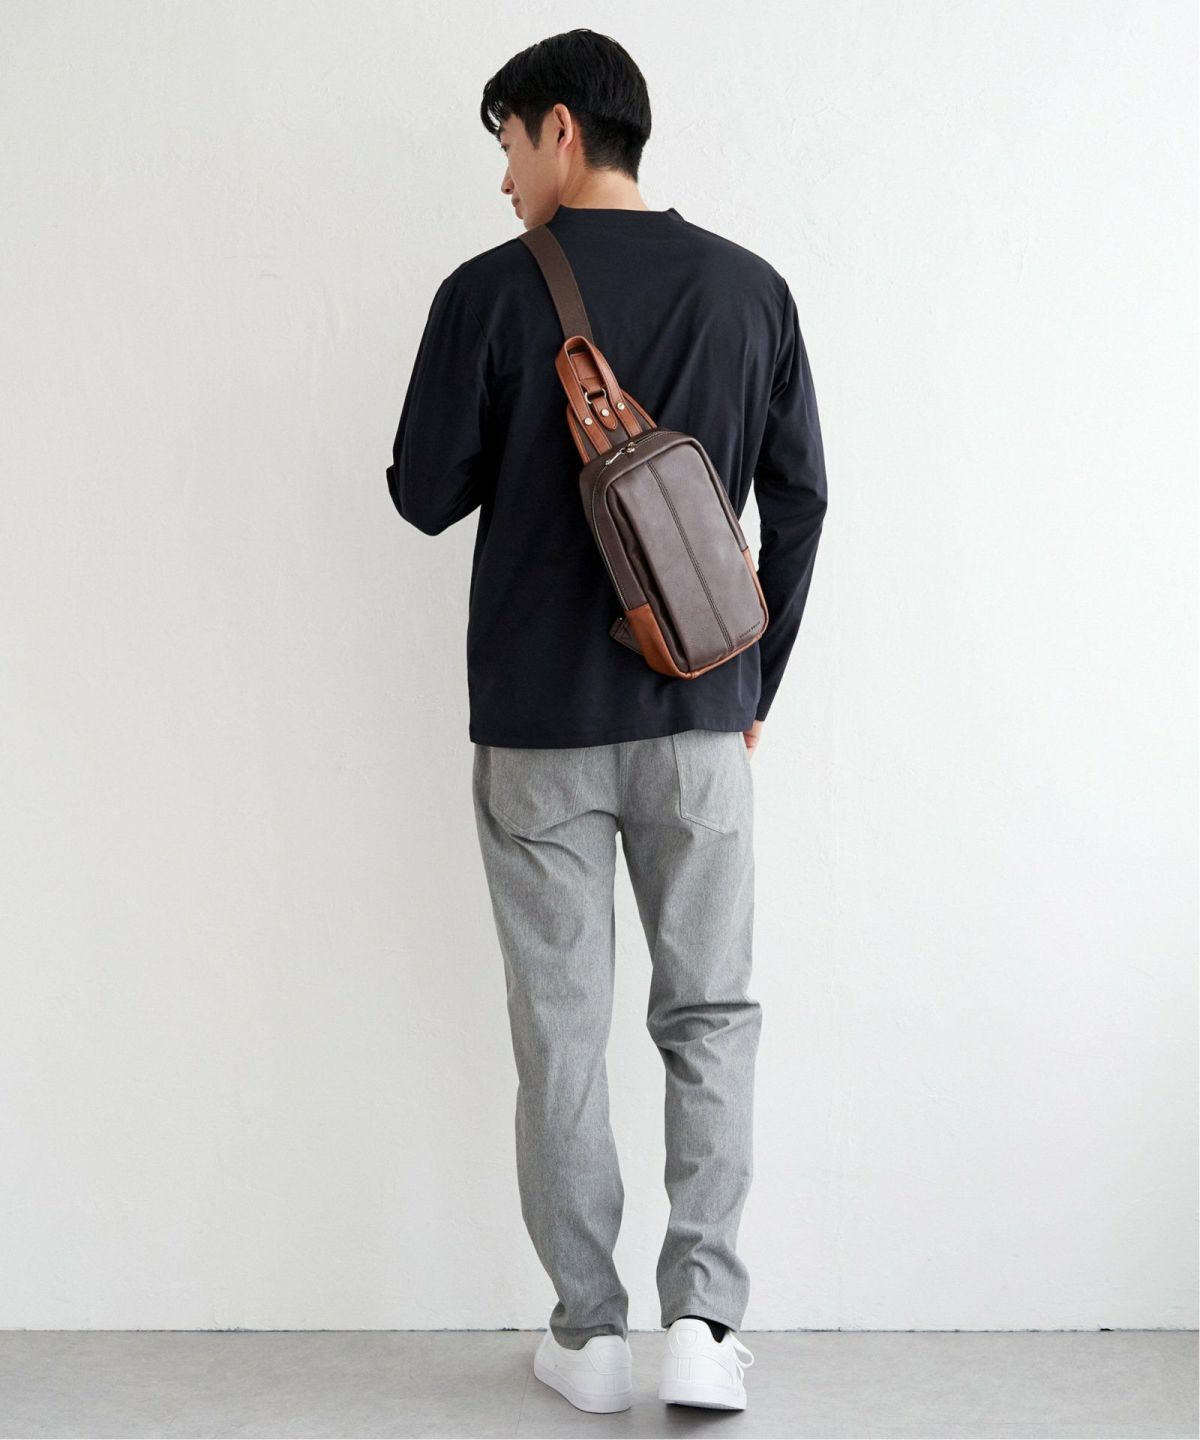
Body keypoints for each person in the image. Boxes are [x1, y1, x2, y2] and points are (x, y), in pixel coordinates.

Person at [386, 27, 828, 1416]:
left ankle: (587, 1336)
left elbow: (423, 494)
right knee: (712, 1015)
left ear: (561, 130)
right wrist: (752, 688)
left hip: (536, 734)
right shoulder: (751, 289)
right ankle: (702, 1322)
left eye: (508, 144)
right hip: (699, 719)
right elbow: (802, 500)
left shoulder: (487, 292)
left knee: (561, 1033)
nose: (504, 178)